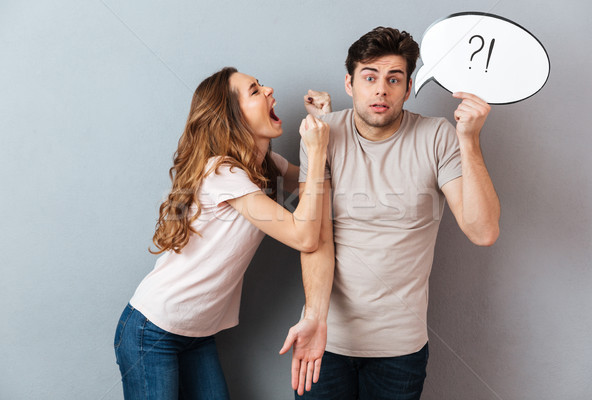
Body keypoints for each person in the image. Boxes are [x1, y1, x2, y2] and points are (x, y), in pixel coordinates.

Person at [287, 27, 501, 399]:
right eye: (369, 77)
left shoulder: (437, 136)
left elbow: (483, 231)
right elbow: (315, 235)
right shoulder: (322, 135)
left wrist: (469, 139)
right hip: (325, 338)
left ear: (408, 86)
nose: (381, 89)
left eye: (393, 79)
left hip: (399, 349)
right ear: (350, 84)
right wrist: (315, 319)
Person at [113, 66, 330, 400]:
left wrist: (324, 124)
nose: (269, 89)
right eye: (255, 91)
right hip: (152, 331)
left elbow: (314, 185)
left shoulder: (266, 165)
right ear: (232, 117)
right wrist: (315, 150)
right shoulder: (222, 171)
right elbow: (303, 235)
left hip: (198, 335)